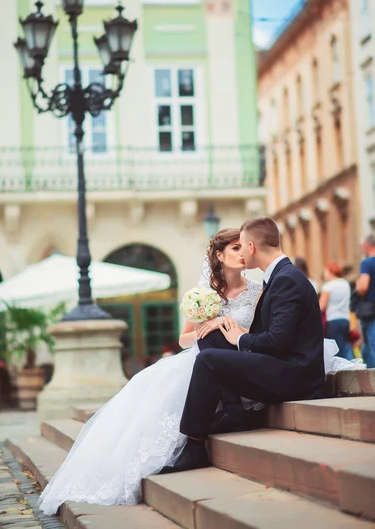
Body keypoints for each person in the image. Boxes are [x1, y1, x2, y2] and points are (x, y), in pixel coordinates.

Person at [38, 228, 263, 514]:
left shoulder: (257, 291)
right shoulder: (203, 294)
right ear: (219, 255)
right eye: (234, 248)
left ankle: (228, 409)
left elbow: (260, 333)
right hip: (203, 357)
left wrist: (233, 329)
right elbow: (184, 339)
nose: (242, 254)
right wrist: (206, 327)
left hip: (240, 355)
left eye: (243, 248)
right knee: (155, 387)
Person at [163, 217, 326, 474]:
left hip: (296, 375)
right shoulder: (281, 277)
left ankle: (196, 446)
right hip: (283, 364)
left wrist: (239, 337)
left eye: (241, 245)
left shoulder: (286, 280)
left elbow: (277, 342)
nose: (240, 252)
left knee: (207, 360)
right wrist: (228, 331)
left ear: (251, 247)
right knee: (209, 336)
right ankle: (232, 411)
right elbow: (274, 338)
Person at [356, 235, 375, 368]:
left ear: (367, 245)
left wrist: (358, 286)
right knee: (367, 348)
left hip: (373, 309)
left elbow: (363, 287)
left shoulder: (367, 263)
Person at [319, 263, 353, 360]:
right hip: (345, 319)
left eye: (325, 272)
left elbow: (321, 306)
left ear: (330, 272)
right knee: (345, 346)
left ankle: (340, 371)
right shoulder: (345, 284)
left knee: (337, 350)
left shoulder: (328, 286)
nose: (324, 274)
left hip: (333, 320)